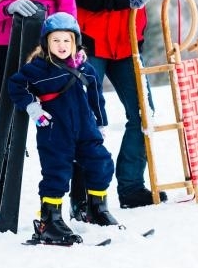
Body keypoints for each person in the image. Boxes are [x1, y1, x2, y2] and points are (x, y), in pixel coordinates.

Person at [66, 0, 193, 211]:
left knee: (143, 113)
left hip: (128, 46)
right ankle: (86, 196)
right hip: (92, 44)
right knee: (87, 120)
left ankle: (132, 188)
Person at [8, 12, 119, 245]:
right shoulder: (39, 69)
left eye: (67, 40)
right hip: (54, 132)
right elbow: (16, 85)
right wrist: (33, 108)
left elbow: (96, 97)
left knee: (102, 163)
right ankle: (50, 221)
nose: (61, 45)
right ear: (46, 43)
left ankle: (96, 209)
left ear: (75, 42)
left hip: (86, 129)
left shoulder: (86, 69)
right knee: (57, 173)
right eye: (55, 40)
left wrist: (100, 123)